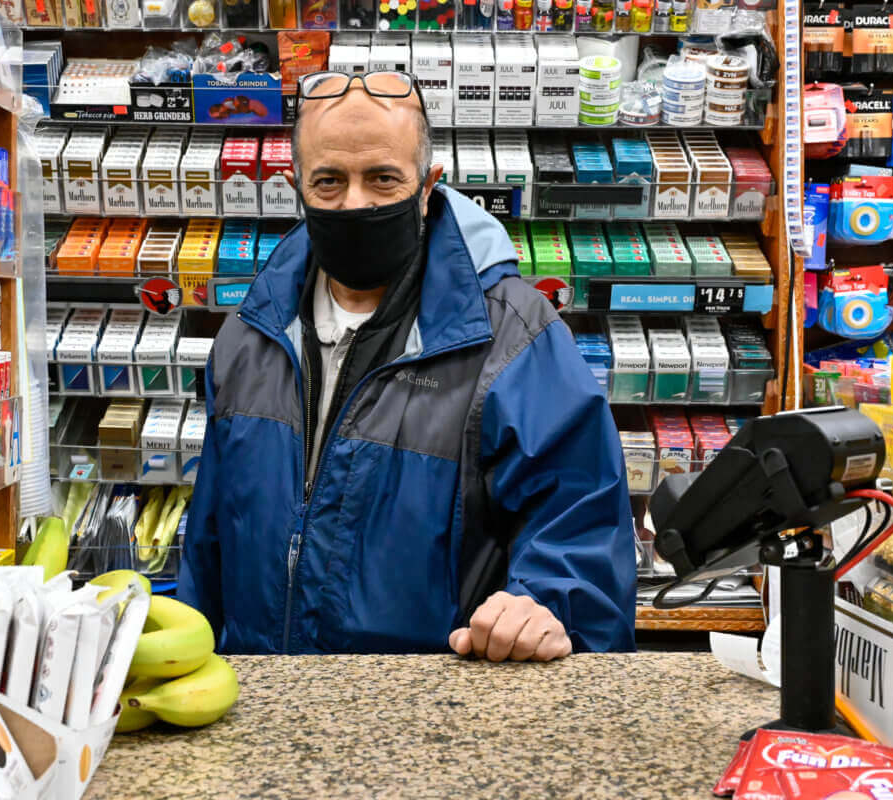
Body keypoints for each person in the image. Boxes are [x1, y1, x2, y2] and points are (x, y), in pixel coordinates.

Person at [179, 70, 636, 661]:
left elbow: (581, 528)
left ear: (427, 187)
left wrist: (543, 606)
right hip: (262, 702)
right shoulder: (247, 338)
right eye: (329, 181)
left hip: (439, 714)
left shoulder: (514, 341)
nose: (355, 202)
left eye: (382, 178)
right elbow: (209, 548)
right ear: (295, 186)